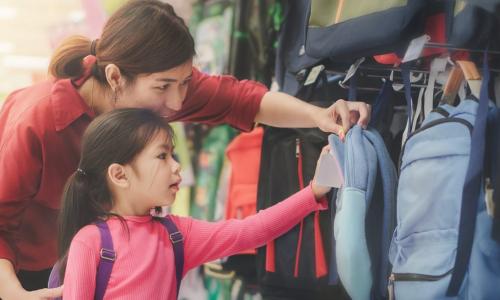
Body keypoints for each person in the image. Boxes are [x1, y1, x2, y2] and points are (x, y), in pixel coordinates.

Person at [0, 0, 370, 298]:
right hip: (23, 274)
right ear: (114, 77)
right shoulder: (38, 120)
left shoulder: (172, 229)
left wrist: (319, 116)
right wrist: (14, 292)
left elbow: (240, 99)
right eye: (164, 87)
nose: (177, 104)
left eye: (184, 83)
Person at [59, 108, 331, 299]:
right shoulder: (90, 243)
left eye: (173, 155)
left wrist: (314, 191)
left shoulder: (176, 235)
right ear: (120, 174)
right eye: (162, 156)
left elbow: (251, 231)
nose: (177, 167)